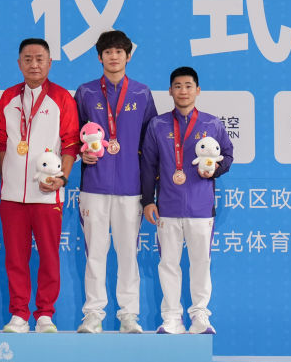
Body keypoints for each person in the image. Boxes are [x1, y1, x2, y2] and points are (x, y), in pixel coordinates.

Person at [74, 30, 158, 334]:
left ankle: (129, 315)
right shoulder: (85, 92)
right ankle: (93, 314)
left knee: (128, 254)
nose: (113, 56)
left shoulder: (141, 93)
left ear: (128, 56)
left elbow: (152, 142)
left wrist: (149, 192)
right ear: (99, 57)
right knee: (95, 253)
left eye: (119, 52)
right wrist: (81, 154)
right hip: (94, 186)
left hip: (130, 187)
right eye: (108, 52)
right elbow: (72, 135)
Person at [140, 66, 233, 336]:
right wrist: (148, 200)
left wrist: (214, 170)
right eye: (178, 86)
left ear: (198, 90)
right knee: (168, 264)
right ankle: (172, 318)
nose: (183, 91)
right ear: (170, 91)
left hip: (201, 207)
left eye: (188, 86)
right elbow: (148, 165)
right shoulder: (158, 125)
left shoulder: (212, 124)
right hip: (167, 207)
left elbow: (228, 155)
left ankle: (200, 316)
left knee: (201, 263)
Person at [0, 38, 79, 333]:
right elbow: (0, 142)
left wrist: (62, 178)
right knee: (15, 258)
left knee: (49, 256)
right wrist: (8, 175)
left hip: (48, 194)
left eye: (39, 59)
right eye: (28, 59)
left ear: (50, 63)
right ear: (19, 63)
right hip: (12, 196)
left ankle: (45, 314)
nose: (34, 64)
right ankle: (19, 314)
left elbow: (71, 143)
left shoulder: (62, 98)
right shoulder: (7, 97)